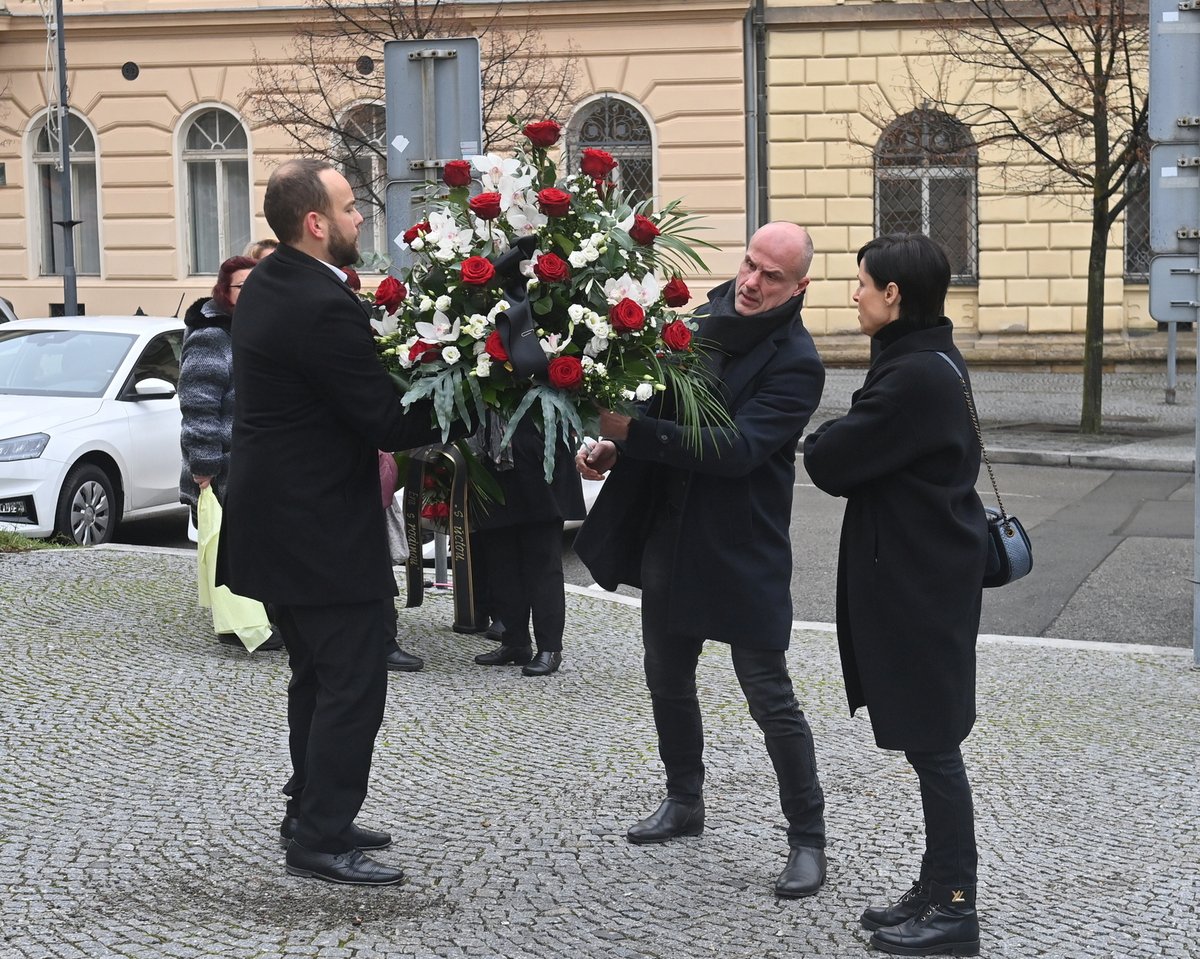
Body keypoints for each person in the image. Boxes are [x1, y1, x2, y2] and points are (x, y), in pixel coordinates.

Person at [574, 221, 828, 897]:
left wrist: (637, 433)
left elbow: (736, 448)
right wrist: (618, 448)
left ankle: (808, 836)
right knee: (666, 674)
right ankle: (684, 798)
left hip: (741, 546)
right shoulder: (701, 321)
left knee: (769, 695)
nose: (751, 282)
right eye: (749, 264)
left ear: (799, 286)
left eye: (771, 276)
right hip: (670, 536)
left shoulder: (797, 360)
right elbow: (658, 404)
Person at [216, 158, 452, 886]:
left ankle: (311, 809)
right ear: (314, 222)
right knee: (352, 683)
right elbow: (382, 415)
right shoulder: (317, 303)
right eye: (350, 209)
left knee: (316, 679)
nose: (361, 220)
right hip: (315, 526)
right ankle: (319, 836)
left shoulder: (275, 283)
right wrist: (466, 391)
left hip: (280, 520)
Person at [802, 233, 985, 957]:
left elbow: (832, 458)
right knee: (928, 742)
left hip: (922, 585)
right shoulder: (925, 358)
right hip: (925, 575)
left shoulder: (914, 376)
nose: (854, 294)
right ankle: (937, 884)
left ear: (894, 295)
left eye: (862, 283)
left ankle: (955, 906)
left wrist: (828, 437)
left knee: (934, 746)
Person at [178, 254, 283, 652]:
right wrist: (205, 465)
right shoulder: (212, 334)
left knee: (247, 543)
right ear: (226, 291)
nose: (251, 292)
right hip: (223, 463)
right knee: (226, 544)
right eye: (242, 286)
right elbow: (198, 404)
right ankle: (238, 625)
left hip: (255, 461)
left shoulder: (257, 328)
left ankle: (251, 618)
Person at [472, 415, 585, 676]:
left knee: (542, 562)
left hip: (538, 460)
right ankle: (515, 641)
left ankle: (549, 648)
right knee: (501, 560)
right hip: (491, 458)